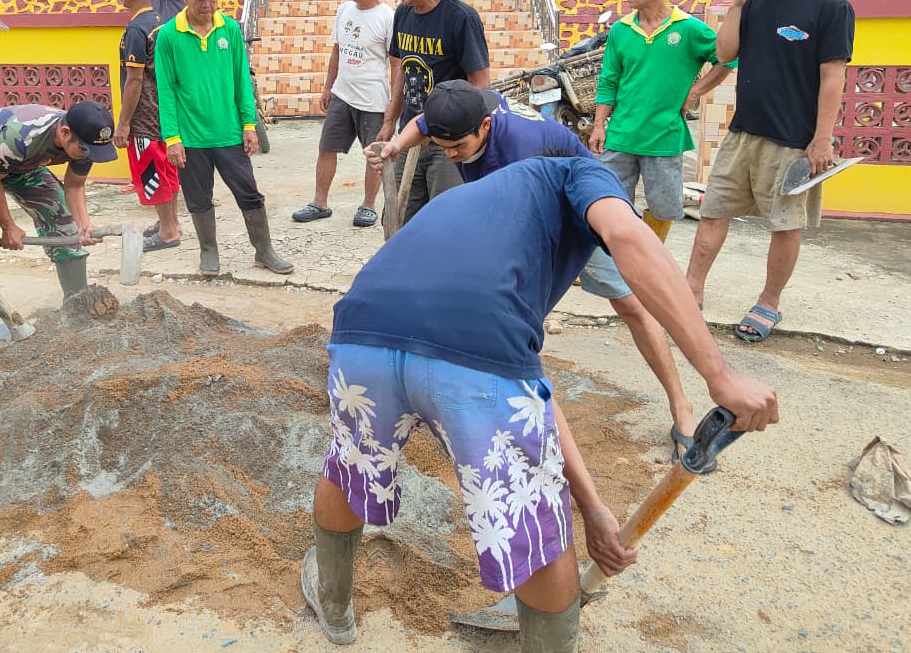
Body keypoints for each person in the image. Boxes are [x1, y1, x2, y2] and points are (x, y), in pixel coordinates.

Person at [301, 155, 779, 649]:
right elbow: (630, 238)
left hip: (361, 338)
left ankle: (335, 610)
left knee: (350, 464)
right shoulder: (579, 172)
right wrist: (718, 376)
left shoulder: (481, 207)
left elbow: (535, 390)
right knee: (530, 519)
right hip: (474, 359)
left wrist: (592, 508)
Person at [372, 80, 699, 452]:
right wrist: (395, 146)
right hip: (516, 203)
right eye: (444, 148)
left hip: (577, 205)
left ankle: (681, 406)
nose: (451, 157)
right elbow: (421, 123)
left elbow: (522, 230)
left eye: (458, 148)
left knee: (631, 305)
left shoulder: (519, 151)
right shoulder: (462, 110)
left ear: (485, 127)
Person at [686, 0, 855, 343]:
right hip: (744, 132)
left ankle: (769, 301)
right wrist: (738, 4)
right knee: (712, 212)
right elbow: (725, 54)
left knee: (784, 224)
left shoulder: (830, 7)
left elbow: (833, 77)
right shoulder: (757, 1)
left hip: (792, 141)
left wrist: (821, 139)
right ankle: (691, 289)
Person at [153, 0, 293, 276]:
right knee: (199, 199)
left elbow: (242, 81)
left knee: (249, 193)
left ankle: (264, 250)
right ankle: (208, 251)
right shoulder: (168, 36)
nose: (207, 4)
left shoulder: (229, 29)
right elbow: (166, 91)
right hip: (190, 139)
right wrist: (172, 139)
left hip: (229, 133)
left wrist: (249, 125)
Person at [590, 0, 733, 241]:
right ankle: (616, 261)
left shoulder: (689, 29)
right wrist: (598, 125)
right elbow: (609, 80)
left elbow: (727, 59)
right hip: (620, 135)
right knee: (609, 202)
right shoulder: (621, 29)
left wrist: (696, 91)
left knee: (664, 207)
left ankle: (652, 260)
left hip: (664, 137)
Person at [0, 99, 118, 340]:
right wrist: (9, 226)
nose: (88, 156)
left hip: (23, 164)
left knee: (64, 222)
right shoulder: (22, 136)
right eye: (84, 150)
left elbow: (74, 186)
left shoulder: (86, 139)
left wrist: (84, 226)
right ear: (64, 133)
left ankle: (77, 305)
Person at [385, 0, 489, 222]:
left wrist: (463, 139)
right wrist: (389, 122)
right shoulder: (402, 14)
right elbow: (402, 72)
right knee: (396, 218)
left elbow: (480, 85)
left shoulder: (461, 19)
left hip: (448, 144)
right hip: (409, 134)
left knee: (446, 221)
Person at [292, 0, 395, 229]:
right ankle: (319, 202)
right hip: (342, 94)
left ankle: (369, 205)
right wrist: (328, 87)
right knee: (326, 147)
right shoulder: (345, 10)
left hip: (373, 98)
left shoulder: (388, 17)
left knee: (374, 154)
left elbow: (396, 64)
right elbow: (337, 50)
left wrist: (394, 103)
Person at [111, 0, 182, 253]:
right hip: (164, 110)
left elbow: (134, 79)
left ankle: (167, 231)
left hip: (144, 115)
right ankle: (172, 222)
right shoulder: (160, 22)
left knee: (151, 170)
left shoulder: (137, 29)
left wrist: (124, 122)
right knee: (166, 168)